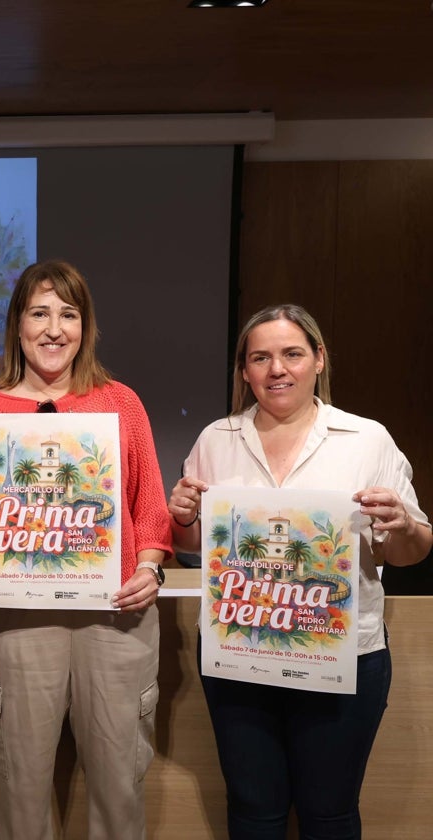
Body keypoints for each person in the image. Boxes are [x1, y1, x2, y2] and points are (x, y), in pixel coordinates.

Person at [168, 304, 431, 839]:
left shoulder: (367, 439)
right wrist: (184, 518)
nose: (276, 369)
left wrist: (403, 524)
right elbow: (192, 547)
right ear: (244, 371)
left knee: (329, 814)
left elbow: (411, 552)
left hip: (343, 657)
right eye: (260, 358)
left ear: (319, 359)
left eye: (292, 354)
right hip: (238, 656)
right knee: (252, 812)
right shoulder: (216, 439)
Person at [0, 259, 172, 840]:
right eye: (39, 314)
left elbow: (150, 507)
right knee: (18, 790)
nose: (54, 329)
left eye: (68, 315)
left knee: (119, 786)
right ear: (17, 326)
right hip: (18, 621)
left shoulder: (121, 403)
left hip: (115, 617)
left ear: (85, 327)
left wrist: (150, 568)